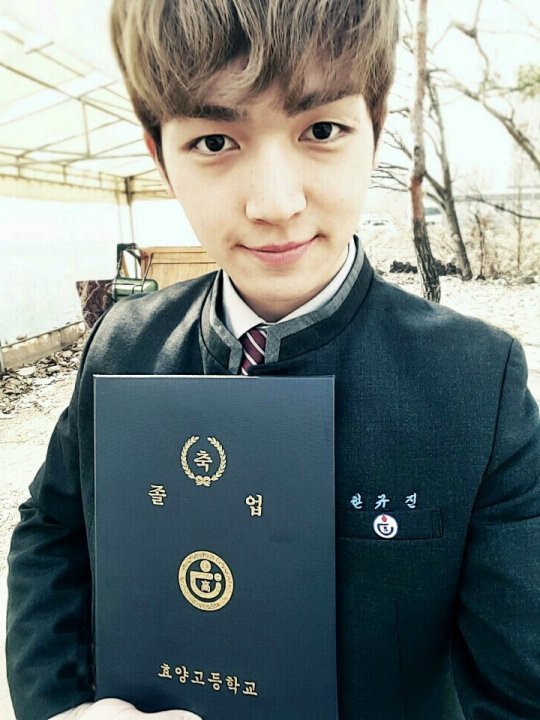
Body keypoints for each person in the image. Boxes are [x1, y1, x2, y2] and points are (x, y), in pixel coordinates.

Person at [6, 1, 539, 719]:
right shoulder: (124, 346)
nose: (276, 204)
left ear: (374, 129)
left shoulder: (476, 383)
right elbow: (53, 532)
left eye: (321, 130)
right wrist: (62, 706)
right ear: (160, 155)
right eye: (214, 141)